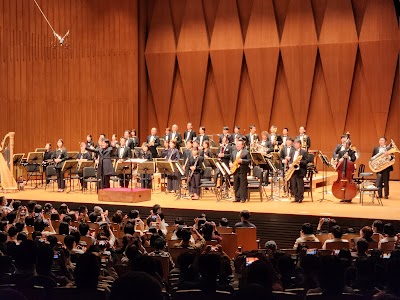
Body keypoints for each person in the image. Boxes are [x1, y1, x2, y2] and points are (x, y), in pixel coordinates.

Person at [230, 138, 251, 202]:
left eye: (239, 145)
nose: (237, 146)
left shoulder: (246, 152)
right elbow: (231, 159)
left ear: (242, 145)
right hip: (235, 170)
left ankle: (243, 198)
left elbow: (249, 160)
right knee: (236, 184)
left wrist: (242, 161)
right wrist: (230, 163)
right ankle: (237, 197)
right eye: (237, 144)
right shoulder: (234, 152)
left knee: (243, 184)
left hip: (242, 170)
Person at [288, 139, 309, 203]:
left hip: (300, 170)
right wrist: (290, 164)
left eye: (297, 143)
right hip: (293, 170)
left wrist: (300, 162)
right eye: (295, 143)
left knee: (299, 184)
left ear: (300, 144)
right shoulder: (292, 151)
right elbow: (291, 160)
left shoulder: (304, 152)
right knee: (293, 184)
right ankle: (296, 197)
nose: (296, 145)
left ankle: (300, 197)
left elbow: (306, 161)